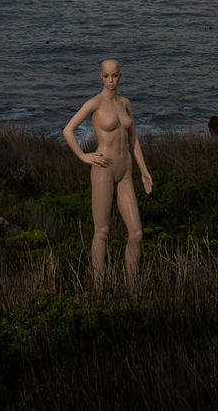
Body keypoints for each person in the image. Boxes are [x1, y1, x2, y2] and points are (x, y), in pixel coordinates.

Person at [63, 58, 153, 291]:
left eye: (114, 75)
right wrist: (83, 156)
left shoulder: (126, 103)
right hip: (103, 169)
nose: (110, 80)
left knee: (136, 233)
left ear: (121, 75)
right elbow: (68, 131)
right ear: (100, 76)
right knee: (102, 232)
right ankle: (98, 289)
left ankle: (133, 289)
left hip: (126, 171)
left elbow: (133, 139)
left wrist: (144, 171)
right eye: (106, 76)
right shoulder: (94, 103)